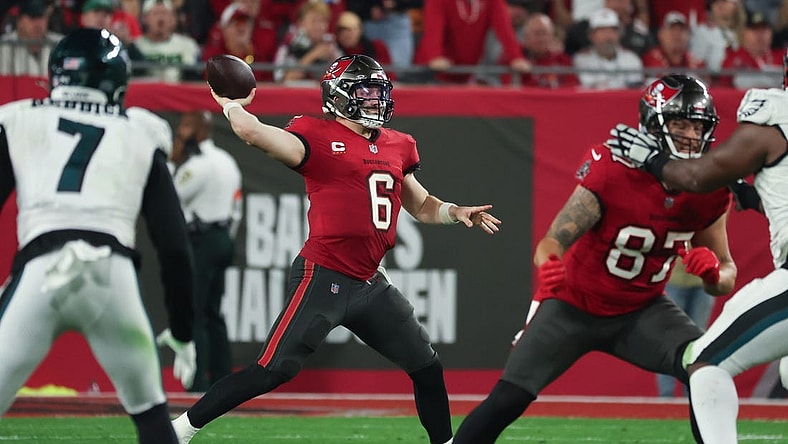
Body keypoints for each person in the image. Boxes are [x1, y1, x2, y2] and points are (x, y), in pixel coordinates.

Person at [171, 53, 501, 444]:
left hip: (369, 284)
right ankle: (179, 429)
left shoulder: (398, 145)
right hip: (323, 274)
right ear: (340, 95)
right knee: (272, 370)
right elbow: (254, 133)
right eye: (365, 91)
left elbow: (422, 204)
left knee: (426, 366)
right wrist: (230, 105)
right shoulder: (316, 135)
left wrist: (455, 211)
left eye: (379, 91)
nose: (376, 99)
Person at [453, 74, 736, 443]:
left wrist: (714, 274)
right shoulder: (613, 169)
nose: (691, 135)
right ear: (653, 124)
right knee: (509, 397)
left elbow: (727, 271)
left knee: (708, 369)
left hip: (644, 310)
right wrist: (550, 264)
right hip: (573, 305)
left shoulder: (708, 188)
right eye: (680, 124)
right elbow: (552, 242)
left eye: (698, 126)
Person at [0, 28, 195, 443]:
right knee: (153, 419)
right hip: (113, 276)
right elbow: (175, 246)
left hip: (41, 270)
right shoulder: (140, 129)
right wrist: (182, 329)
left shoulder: (20, 118)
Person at [606, 49, 788, 444]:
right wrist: (750, 193)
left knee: (705, 362)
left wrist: (652, 159)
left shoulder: (773, 119)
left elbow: (698, 175)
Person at [170, 110, 242, 392]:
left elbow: (171, 197)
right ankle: (223, 380)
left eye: (187, 125)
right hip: (223, 237)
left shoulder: (197, 166)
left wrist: (172, 160)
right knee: (214, 311)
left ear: (200, 130)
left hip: (203, 239)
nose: (182, 131)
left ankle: (198, 381)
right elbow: (237, 210)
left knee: (196, 311)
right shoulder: (227, 161)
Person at [655, 261, 714, 397]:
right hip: (673, 279)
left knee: (699, 342)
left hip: (703, 280)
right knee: (667, 340)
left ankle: (693, 396)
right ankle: (666, 397)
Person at [572, 7, 644, 89]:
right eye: (602, 31)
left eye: (612, 31)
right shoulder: (581, 59)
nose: (608, 36)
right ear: (591, 35)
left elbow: (636, 88)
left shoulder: (631, 58)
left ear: (619, 34)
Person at [134, 0, 201, 82]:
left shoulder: (187, 45)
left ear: (172, 18)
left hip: (176, 91)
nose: (161, 18)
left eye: (164, 13)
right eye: (155, 14)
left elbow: (193, 79)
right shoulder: (136, 46)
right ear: (145, 18)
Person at [0, 0, 63, 76]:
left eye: (41, 17)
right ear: (19, 22)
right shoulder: (4, 46)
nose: (37, 24)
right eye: (32, 18)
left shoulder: (61, 44)